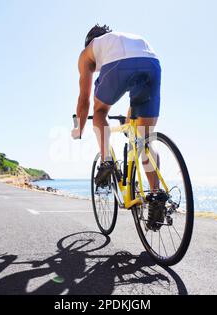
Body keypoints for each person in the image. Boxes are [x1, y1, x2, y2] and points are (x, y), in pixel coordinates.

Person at [71, 25, 168, 228]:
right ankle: (156, 195)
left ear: (89, 41)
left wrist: (79, 128)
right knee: (145, 140)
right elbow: (134, 87)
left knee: (99, 112)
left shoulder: (88, 51)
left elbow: (84, 100)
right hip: (151, 62)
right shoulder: (122, 38)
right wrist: (129, 118)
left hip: (120, 65)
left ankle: (106, 162)